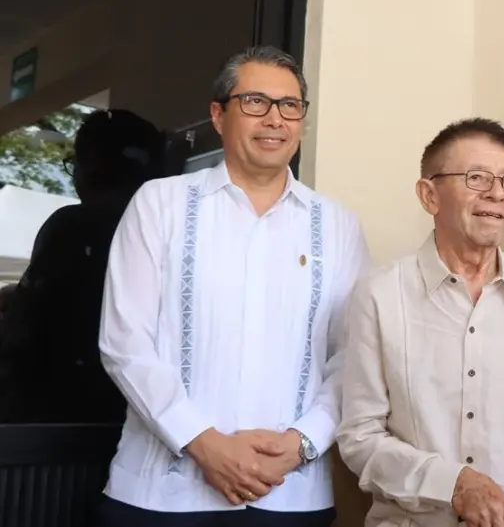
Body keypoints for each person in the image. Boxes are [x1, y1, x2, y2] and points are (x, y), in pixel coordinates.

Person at [92, 45, 370, 527]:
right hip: (161, 496)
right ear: (218, 115)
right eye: (255, 102)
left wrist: (302, 442)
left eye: (290, 106)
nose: (275, 119)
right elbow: (124, 343)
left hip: (290, 495)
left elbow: (354, 356)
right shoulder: (161, 204)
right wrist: (203, 442)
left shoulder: (338, 226)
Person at [337, 118, 504, 527]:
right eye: (476, 178)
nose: (496, 193)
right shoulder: (378, 295)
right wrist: (452, 483)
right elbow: (360, 438)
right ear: (429, 195)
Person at [0, 108, 166, 424]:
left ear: (93, 166)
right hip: (147, 427)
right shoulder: (179, 232)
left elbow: (24, 340)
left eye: (74, 163)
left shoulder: (73, 227)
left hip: (64, 430)